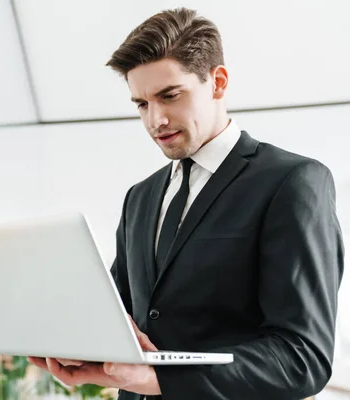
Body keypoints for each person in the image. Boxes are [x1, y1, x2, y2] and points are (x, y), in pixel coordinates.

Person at [27, 7, 345, 400]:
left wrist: (157, 379)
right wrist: (82, 348)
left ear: (218, 82)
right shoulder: (140, 198)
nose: (155, 120)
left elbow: (301, 358)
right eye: (141, 104)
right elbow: (121, 318)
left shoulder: (292, 182)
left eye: (169, 96)